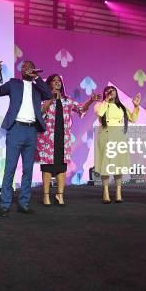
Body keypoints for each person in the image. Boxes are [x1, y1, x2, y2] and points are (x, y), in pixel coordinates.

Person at [0, 59, 52, 217]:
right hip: (16, 129)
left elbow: (49, 95)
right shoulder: (14, 84)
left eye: (30, 67)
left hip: (31, 131)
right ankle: (5, 205)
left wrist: (37, 78)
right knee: (10, 168)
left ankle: (24, 204)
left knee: (28, 170)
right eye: (24, 67)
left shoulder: (38, 88)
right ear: (21, 70)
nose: (27, 69)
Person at [36, 74, 99, 206]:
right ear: (49, 84)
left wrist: (91, 100)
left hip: (63, 139)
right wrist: (49, 98)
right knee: (47, 167)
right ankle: (46, 196)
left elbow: (81, 109)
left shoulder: (68, 100)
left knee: (61, 167)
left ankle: (60, 195)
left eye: (59, 81)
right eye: (54, 81)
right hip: (47, 139)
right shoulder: (44, 99)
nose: (57, 83)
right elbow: (40, 113)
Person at [94, 86, 140, 203]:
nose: (110, 92)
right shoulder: (100, 105)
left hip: (119, 137)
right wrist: (106, 100)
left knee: (118, 165)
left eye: (113, 90)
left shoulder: (121, 107)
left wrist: (136, 106)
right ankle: (105, 192)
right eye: (107, 91)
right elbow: (100, 112)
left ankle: (118, 193)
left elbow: (133, 119)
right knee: (106, 165)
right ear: (105, 94)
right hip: (105, 136)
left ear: (116, 93)